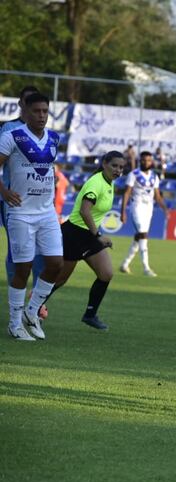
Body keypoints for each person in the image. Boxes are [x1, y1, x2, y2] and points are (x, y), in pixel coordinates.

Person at [0, 92, 63, 341]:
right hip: (20, 212)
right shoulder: (11, 137)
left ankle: (31, 311)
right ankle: (14, 323)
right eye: (36, 111)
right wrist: (4, 191)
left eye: (45, 111)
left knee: (56, 264)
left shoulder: (54, 138)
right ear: (25, 110)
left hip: (47, 212)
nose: (41, 116)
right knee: (23, 269)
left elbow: (48, 170)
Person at [47, 151, 125, 331]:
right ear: (104, 163)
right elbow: (84, 211)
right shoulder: (96, 182)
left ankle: (90, 315)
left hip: (88, 235)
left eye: (121, 167)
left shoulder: (108, 182)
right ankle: (32, 307)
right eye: (114, 166)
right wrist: (99, 236)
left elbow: (93, 214)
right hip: (74, 234)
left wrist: (97, 236)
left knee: (106, 274)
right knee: (59, 280)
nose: (118, 170)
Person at [1, 86, 49, 315]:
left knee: (44, 252)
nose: (38, 112)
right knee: (18, 251)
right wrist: (4, 192)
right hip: (15, 200)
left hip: (39, 203)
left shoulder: (45, 132)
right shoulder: (9, 129)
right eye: (30, 102)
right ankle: (16, 304)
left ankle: (37, 303)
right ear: (22, 104)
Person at [119, 151, 168, 276]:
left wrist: (165, 209)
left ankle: (125, 264)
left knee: (139, 237)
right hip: (136, 206)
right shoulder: (133, 174)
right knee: (143, 234)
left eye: (148, 160)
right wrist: (123, 211)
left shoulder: (154, 177)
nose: (146, 162)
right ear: (140, 161)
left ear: (152, 162)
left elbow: (157, 195)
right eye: (144, 160)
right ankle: (146, 267)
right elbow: (127, 193)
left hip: (148, 208)